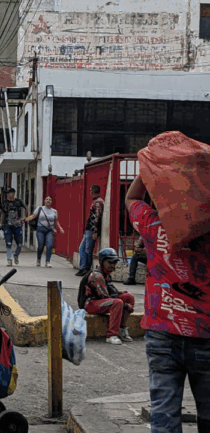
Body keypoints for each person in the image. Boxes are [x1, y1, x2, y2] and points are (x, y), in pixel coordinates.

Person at [125, 174, 210, 433]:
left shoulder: (153, 226)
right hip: (205, 333)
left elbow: (131, 198)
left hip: (162, 334)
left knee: (163, 414)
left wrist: (150, 169)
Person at [80, 248, 135, 345]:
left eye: (114, 262)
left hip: (101, 300)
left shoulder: (106, 274)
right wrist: (126, 306)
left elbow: (109, 292)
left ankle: (122, 328)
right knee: (117, 303)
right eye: (110, 262)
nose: (112, 265)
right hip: (91, 303)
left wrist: (121, 294)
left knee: (129, 296)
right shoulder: (98, 276)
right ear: (102, 262)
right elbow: (105, 297)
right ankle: (111, 335)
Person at [25, 195, 65, 267]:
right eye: (47, 199)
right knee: (40, 245)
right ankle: (38, 259)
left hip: (50, 230)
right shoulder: (40, 209)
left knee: (49, 245)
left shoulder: (54, 211)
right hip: (40, 229)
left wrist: (60, 228)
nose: (48, 201)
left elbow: (56, 221)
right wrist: (25, 219)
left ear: (51, 202)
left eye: (50, 199)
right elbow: (33, 216)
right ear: (44, 201)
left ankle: (47, 261)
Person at [76, 184, 105, 276]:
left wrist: (95, 231)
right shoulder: (96, 201)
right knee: (82, 248)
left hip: (91, 229)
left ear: (92, 191)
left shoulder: (98, 202)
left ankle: (86, 268)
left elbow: (97, 216)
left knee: (88, 249)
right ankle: (83, 267)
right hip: (89, 229)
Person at [0, 188, 26, 266]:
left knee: (19, 243)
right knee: (8, 242)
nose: (9, 195)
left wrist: (24, 217)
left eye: (10, 193)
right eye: (8, 193)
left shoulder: (19, 202)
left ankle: (16, 255)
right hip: (8, 225)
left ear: (13, 193)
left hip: (17, 225)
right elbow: (3, 213)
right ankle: (9, 259)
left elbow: (26, 208)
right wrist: (1, 223)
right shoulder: (5, 203)